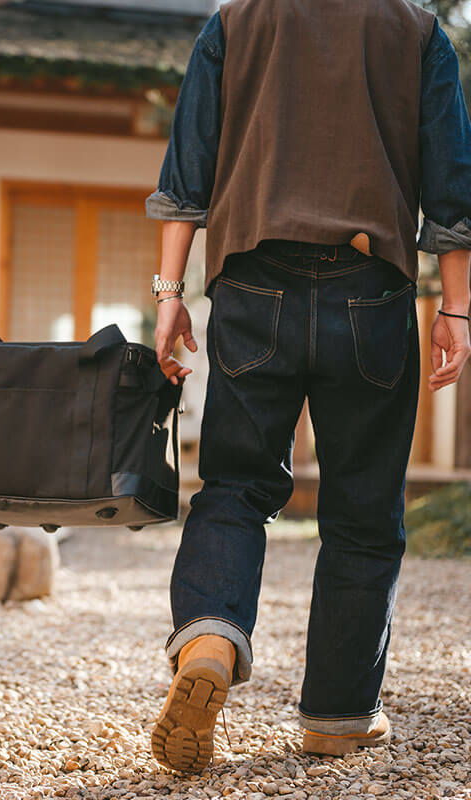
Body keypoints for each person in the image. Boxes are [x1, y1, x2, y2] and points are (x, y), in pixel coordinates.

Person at [146, 0, 471, 772]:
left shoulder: (237, 20)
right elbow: (452, 192)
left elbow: (187, 169)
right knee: (362, 510)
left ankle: (210, 639)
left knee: (233, 487)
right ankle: (338, 713)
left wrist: (168, 295)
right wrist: (455, 309)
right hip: (372, 286)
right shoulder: (417, 30)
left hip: (252, 281)